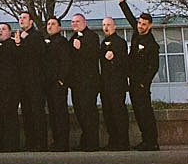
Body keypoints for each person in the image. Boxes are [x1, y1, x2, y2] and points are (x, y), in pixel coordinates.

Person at [116, 0, 162, 151]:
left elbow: (154, 67)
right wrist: (123, 2)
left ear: (150, 26)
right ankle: (145, 140)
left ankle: (152, 141)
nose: (140, 25)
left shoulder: (152, 44)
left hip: (141, 84)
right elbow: (130, 18)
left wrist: (144, 83)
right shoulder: (136, 34)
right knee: (138, 112)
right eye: (140, 23)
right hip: (133, 81)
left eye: (144, 24)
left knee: (145, 113)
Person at [65, 13, 103, 149]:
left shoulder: (92, 36)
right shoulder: (73, 38)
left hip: (89, 83)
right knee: (80, 112)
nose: (74, 24)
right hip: (76, 83)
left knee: (89, 112)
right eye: (72, 22)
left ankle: (92, 142)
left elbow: (93, 55)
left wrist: (80, 48)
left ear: (84, 22)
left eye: (77, 21)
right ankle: (85, 140)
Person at [13, 12, 49, 152]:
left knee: (37, 112)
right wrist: (17, 44)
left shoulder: (36, 36)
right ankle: (31, 142)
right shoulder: (20, 37)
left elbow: (37, 54)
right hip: (23, 83)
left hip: (36, 82)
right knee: (27, 113)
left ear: (31, 21)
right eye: (20, 18)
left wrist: (23, 42)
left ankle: (41, 143)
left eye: (24, 18)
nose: (21, 20)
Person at [98, 14, 131, 150]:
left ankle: (123, 142)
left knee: (118, 113)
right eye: (104, 25)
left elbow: (124, 63)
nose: (106, 27)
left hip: (117, 85)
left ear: (114, 26)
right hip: (105, 85)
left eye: (108, 25)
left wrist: (113, 59)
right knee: (108, 113)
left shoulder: (120, 42)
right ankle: (113, 140)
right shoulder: (102, 43)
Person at [41, 15, 73, 151]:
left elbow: (66, 62)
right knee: (53, 113)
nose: (50, 26)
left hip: (58, 84)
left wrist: (61, 79)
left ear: (59, 27)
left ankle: (63, 142)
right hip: (48, 84)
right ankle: (56, 141)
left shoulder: (62, 41)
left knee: (60, 113)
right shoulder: (46, 42)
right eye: (48, 24)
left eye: (53, 24)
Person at [0, 21, 22, 151]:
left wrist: (18, 44)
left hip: (11, 87)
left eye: (3, 29)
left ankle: (12, 143)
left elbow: (20, 58)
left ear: (9, 32)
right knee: (0, 115)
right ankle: (3, 142)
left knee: (10, 115)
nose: (0, 31)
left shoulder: (13, 45)